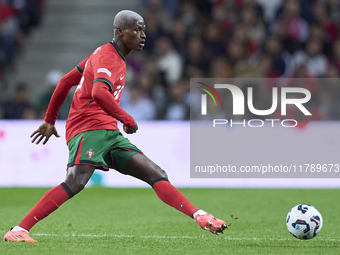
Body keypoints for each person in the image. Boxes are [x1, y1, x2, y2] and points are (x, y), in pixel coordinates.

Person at [3, 10, 227, 243]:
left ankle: (200, 216)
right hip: (88, 128)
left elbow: (65, 82)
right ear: (120, 31)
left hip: (108, 133)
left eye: (144, 30)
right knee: (76, 181)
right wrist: (126, 118)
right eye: (138, 29)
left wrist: (50, 120)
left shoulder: (104, 54)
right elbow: (99, 93)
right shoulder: (108, 56)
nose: (143, 35)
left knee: (156, 173)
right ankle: (19, 229)